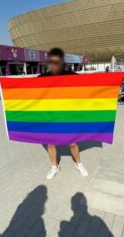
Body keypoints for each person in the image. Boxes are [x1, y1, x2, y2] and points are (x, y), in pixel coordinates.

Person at [39, 48, 88, 179]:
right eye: (51, 62)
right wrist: (2, 85)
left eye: (57, 62)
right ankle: (54, 166)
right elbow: (23, 87)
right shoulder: (43, 77)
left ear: (62, 62)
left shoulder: (72, 75)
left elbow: (90, 86)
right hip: (50, 116)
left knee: (72, 142)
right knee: (50, 143)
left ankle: (78, 164)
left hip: (67, 116)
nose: (54, 64)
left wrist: (112, 86)